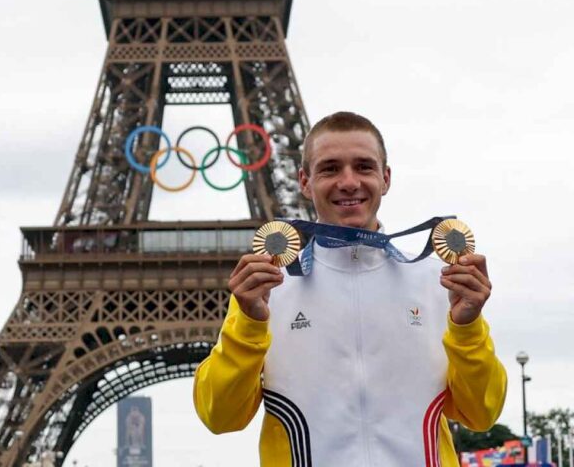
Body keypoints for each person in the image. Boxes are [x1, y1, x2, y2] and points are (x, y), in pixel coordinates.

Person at [193, 111, 507, 466]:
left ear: (385, 178)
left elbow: (482, 413)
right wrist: (249, 325)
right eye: (330, 169)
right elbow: (219, 417)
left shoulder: (438, 282)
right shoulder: (267, 291)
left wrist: (467, 329)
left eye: (363, 167)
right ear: (304, 181)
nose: (348, 182)